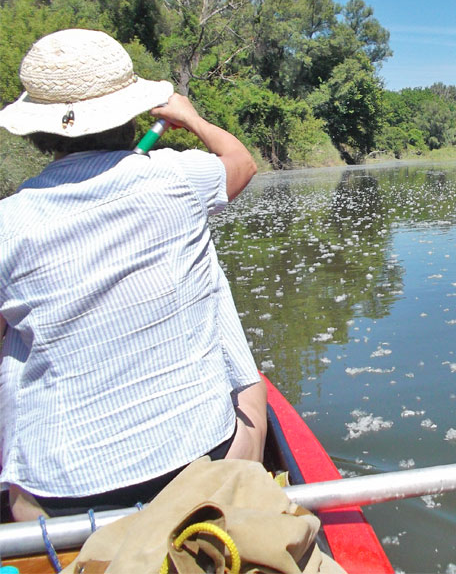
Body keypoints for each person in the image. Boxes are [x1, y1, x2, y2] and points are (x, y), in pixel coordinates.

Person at [0, 29, 266, 520]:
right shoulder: (178, 178)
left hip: (59, 496)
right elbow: (241, 163)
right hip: (195, 468)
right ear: (130, 112)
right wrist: (190, 117)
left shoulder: (7, 223)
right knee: (253, 386)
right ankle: (239, 494)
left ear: (38, 129)